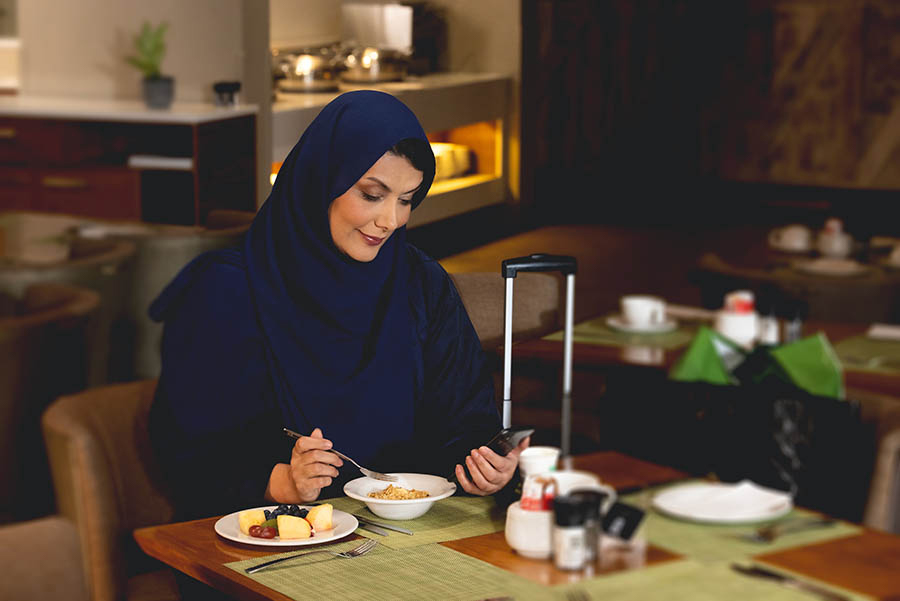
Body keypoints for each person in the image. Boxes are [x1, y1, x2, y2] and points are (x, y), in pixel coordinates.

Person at [148, 90, 527, 520]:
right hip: (270, 540)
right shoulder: (228, 291)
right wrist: (280, 481)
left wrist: (482, 466)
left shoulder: (420, 283)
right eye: (372, 194)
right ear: (321, 180)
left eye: (406, 200)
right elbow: (187, 450)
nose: (390, 221)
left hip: (406, 538)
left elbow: (463, 420)